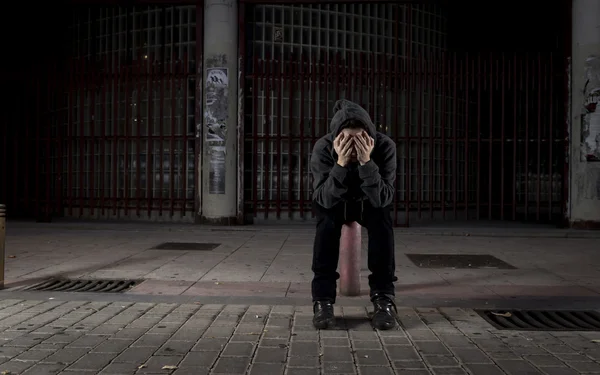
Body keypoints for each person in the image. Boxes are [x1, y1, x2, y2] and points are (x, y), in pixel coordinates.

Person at [309, 99, 398, 330]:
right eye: (347, 139)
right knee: (326, 222)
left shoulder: (385, 146)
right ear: (337, 137)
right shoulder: (324, 147)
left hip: (369, 203)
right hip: (336, 202)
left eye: (359, 139)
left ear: (369, 135)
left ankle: (383, 298)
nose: (353, 145)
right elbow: (323, 198)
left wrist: (366, 161)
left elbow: (384, 198)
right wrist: (340, 162)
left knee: (383, 221)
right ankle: (322, 300)